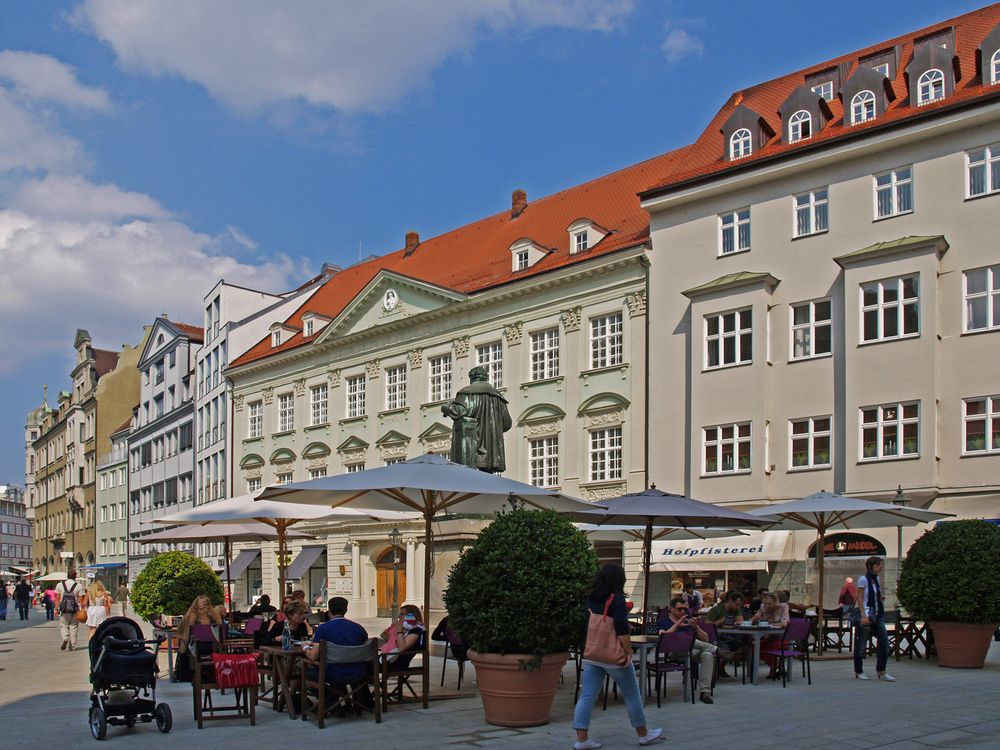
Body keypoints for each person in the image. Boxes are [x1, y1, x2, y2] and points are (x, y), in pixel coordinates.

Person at [574, 564, 662, 749]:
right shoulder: (618, 599)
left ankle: (581, 739)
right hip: (613, 656)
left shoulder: (592, 597)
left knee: (587, 696)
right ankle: (643, 734)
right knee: (631, 694)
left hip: (593, 652)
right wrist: (628, 650)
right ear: (619, 579)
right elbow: (621, 626)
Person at [442, 366, 513, 472]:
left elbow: (459, 411)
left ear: (471, 378)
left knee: (472, 480)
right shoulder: (499, 398)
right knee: (488, 480)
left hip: (472, 449)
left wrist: (446, 408)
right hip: (493, 454)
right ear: (485, 378)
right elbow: (507, 424)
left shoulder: (467, 393)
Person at [658, 597, 718, 704]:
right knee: (683, 638)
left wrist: (696, 628)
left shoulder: (688, 620)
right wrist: (677, 625)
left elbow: (706, 639)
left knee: (707, 655)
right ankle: (716, 649)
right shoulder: (663, 621)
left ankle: (705, 692)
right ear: (671, 609)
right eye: (679, 609)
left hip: (691, 651)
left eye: (684, 609)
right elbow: (663, 637)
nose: (682, 612)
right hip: (674, 651)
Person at [303, 597, 370, 690]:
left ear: (329, 611)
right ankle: (339, 701)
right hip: (357, 672)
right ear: (346, 610)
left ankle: (331, 701)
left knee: (306, 672)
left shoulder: (323, 629)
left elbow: (313, 656)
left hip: (331, 673)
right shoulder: (358, 628)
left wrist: (305, 647)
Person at [854, 556, 895, 682]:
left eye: (881, 564)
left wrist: (880, 597)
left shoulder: (876, 579)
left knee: (884, 643)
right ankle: (859, 671)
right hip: (867, 614)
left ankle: (882, 670)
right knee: (861, 645)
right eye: (878, 565)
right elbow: (859, 598)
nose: (881, 567)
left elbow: (874, 594)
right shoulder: (863, 579)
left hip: (878, 615)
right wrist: (863, 615)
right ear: (871, 566)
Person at [752, 591, 791, 679]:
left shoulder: (783, 607)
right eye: (765, 604)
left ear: (775, 602)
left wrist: (771, 625)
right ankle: (778, 666)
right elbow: (757, 615)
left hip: (782, 637)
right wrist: (750, 621)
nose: (767, 606)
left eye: (769, 604)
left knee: (770, 647)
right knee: (755, 646)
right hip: (770, 637)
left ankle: (773, 669)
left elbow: (785, 624)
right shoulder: (763, 607)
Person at [704, 591, 744, 676]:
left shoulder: (736, 609)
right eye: (736, 604)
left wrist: (736, 622)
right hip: (717, 638)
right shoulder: (716, 610)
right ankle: (717, 668)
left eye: (739, 605)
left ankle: (721, 667)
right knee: (726, 646)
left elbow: (740, 620)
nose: (738, 607)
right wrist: (721, 621)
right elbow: (707, 626)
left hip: (732, 636)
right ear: (730, 601)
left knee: (746, 645)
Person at [380, 604, 426, 670]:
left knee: (365, 664)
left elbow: (402, 648)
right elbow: (390, 641)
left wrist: (399, 630)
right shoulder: (406, 629)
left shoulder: (416, 630)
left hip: (395, 662)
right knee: (365, 661)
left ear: (411, 616)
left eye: (402, 614)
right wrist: (391, 631)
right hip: (391, 658)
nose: (399, 616)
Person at [56, 570, 85, 651]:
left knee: (63, 625)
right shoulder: (79, 586)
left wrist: (55, 608)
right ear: (75, 577)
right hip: (75, 610)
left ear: (67, 576)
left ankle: (65, 638)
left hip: (63, 609)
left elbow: (57, 598)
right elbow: (81, 600)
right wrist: (82, 610)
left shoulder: (60, 585)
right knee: (74, 627)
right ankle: (73, 645)